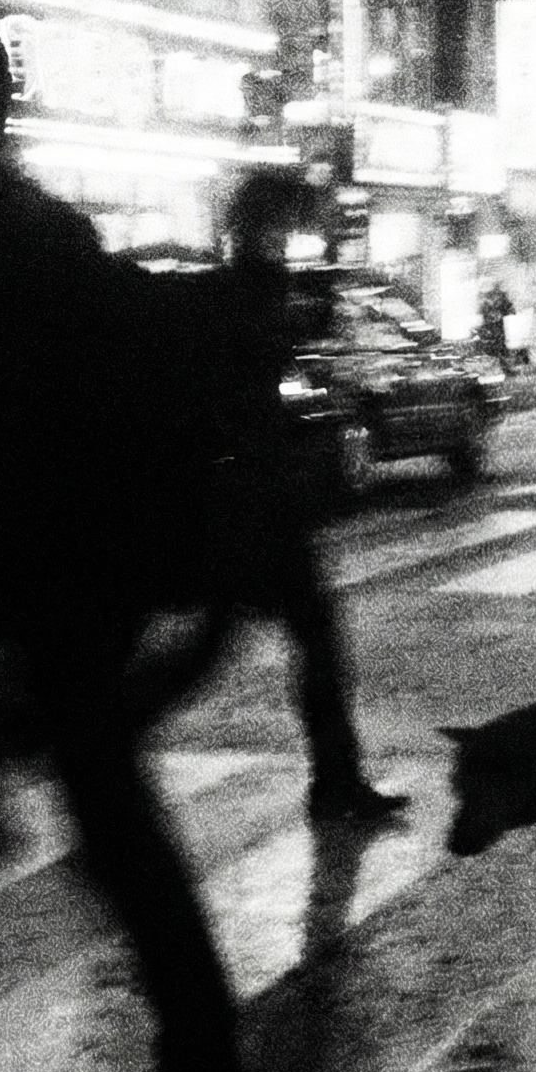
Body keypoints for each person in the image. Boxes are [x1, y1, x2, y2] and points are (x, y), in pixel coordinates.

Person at [0, 20, 250, 1072]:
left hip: (45, 602)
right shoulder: (33, 228)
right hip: (71, 592)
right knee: (80, 828)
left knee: (55, 829)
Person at [151, 170, 410, 825]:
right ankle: (100, 735)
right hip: (246, 499)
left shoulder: (253, 287)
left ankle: (336, 780)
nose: (291, 238)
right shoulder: (237, 291)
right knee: (226, 644)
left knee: (282, 638)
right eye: (284, 225)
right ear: (258, 227)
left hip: (258, 496)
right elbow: (228, 392)